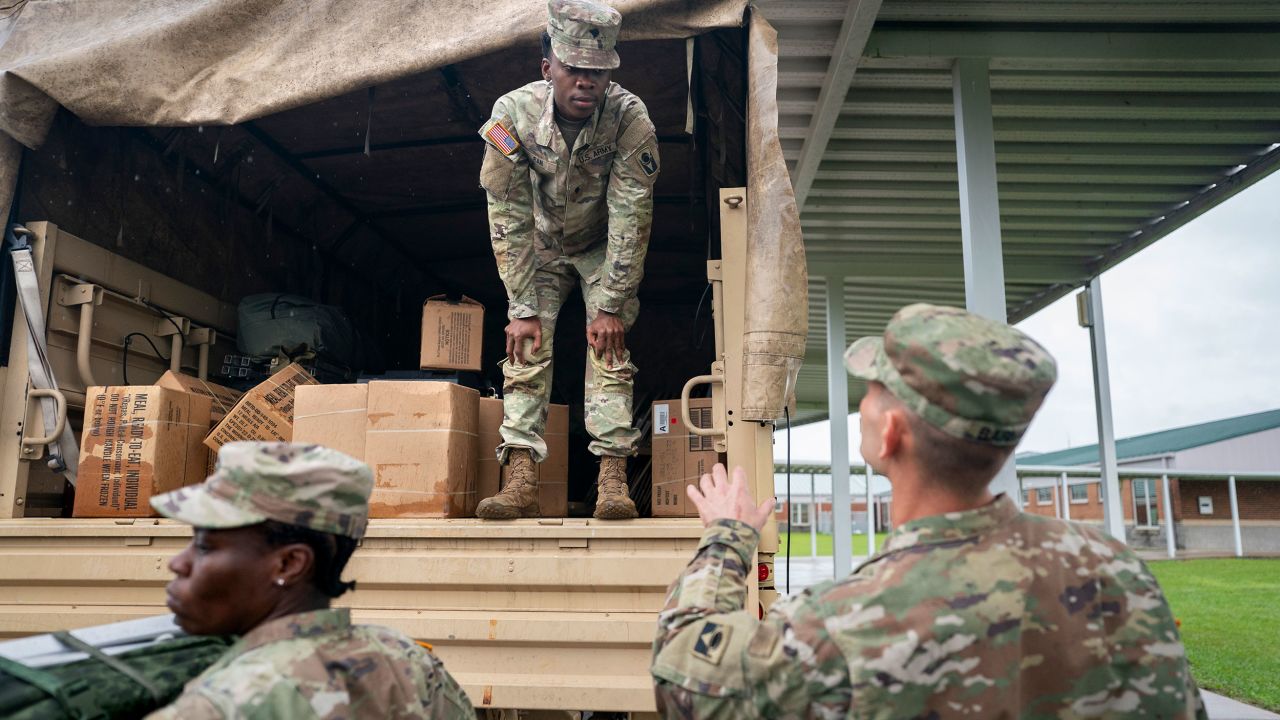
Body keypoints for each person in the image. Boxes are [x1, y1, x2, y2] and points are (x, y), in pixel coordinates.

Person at [650, 303, 1207, 718]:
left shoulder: (845, 623)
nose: (863, 404)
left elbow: (685, 684)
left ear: (890, 433)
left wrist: (727, 538)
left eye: (870, 391)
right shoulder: (1116, 571)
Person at [475, 0, 659, 521]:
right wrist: (521, 304)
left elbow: (631, 217)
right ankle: (520, 478)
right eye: (573, 69)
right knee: (527, 343)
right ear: (547, 69)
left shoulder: (630, 120)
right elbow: (505, 214)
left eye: (596, 73)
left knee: (609, 344)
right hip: (537, 244)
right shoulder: (511, 116)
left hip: (603, 245)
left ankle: (612, 479)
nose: (585, 82)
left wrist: (612, 304)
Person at [144, 442, 473, 719]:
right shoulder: (404, 659)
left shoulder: (218, 705)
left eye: (204, 547)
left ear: (289, 564)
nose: (178, 563)